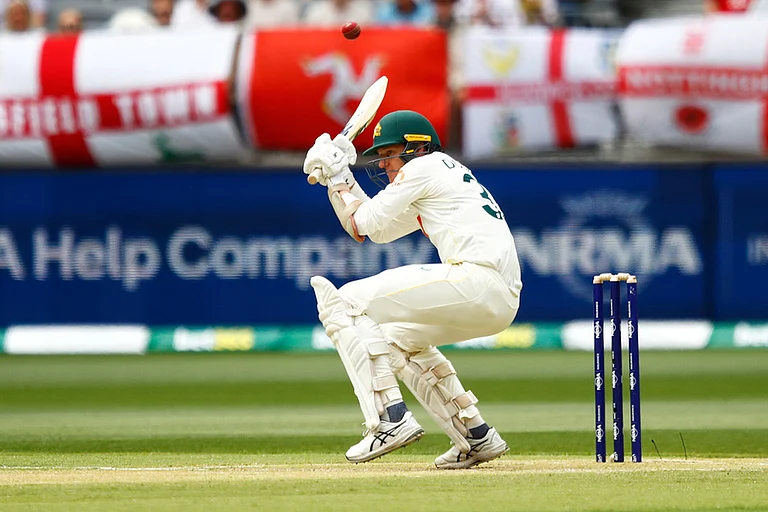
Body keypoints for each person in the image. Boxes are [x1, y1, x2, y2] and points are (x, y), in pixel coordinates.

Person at [301, 110, 523, 469]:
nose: (386, 165)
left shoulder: (423, 169)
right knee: (396, 339)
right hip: (498, 297)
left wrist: (339, 177)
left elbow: (363, 220)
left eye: (390, 154)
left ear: (417, 148)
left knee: (344, 302)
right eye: (382, 157)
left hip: (476, 280)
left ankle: (388, 420)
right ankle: (475, 435)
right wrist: (337, 179)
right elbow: (374, 229)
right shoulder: (438, 172)